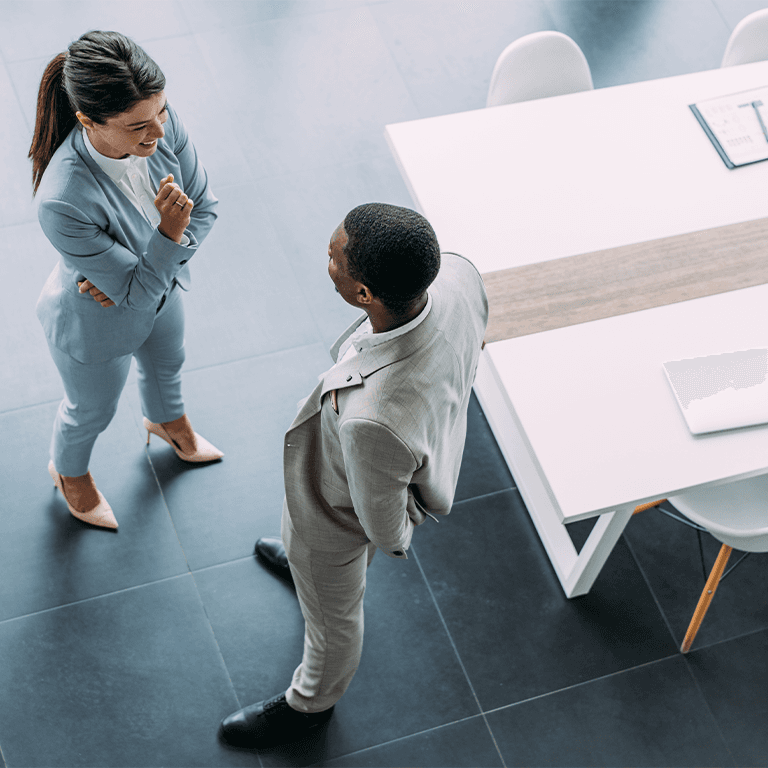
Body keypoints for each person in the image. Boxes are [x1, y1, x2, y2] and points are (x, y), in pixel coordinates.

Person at [219, 203, 489, 748]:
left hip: (334, 515)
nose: (327, 256)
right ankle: (307, 573)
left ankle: (311, 703)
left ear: (365, 293)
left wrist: (387, 539)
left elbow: (382, 525)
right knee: (318, 572)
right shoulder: (458, 273)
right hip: (395, 456)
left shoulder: (375, 418)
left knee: (334, 617)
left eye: (334, 257)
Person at [30, 30, 222, 531]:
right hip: (92, 320)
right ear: (88, 121)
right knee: (91, 409)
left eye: (162, 112)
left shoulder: (158, 120)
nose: (158, 132)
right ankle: (69, 472)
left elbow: (206, 208)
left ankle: (166, 421)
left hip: (157, 292)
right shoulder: (61, 199)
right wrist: (166, 238)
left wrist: (144, 268)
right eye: (138, 125)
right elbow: (140, 286)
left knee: (168, 363)